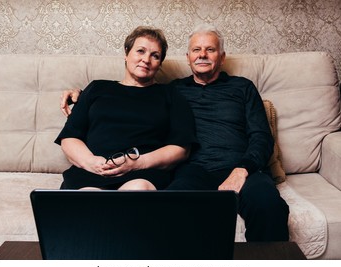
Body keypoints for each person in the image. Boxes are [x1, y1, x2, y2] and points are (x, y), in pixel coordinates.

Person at [60, 24, 289, 242]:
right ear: (188, 57)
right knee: (172, 209)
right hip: (194, 171)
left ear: (222, 57)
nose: (202, 55)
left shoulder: (242, 87)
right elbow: (128, 96)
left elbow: (261, 135)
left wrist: (243, 170)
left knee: (269, 206)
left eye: (210, 50)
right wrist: (79, 94)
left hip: (241, 167)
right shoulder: (175, 90)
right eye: (196, 50)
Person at [55, 26, 197, 191]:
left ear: (159, 64)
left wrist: (138, 163)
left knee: (136, 190)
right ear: (126, 53)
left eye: (155, 56)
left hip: (144, 172)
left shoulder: (171, 95)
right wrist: (92, 162)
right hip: (93, 171)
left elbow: (181, 149)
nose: (146, 59)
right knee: (88, 194)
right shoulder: (97, 88)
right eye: (140, 51)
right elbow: (70, 138)